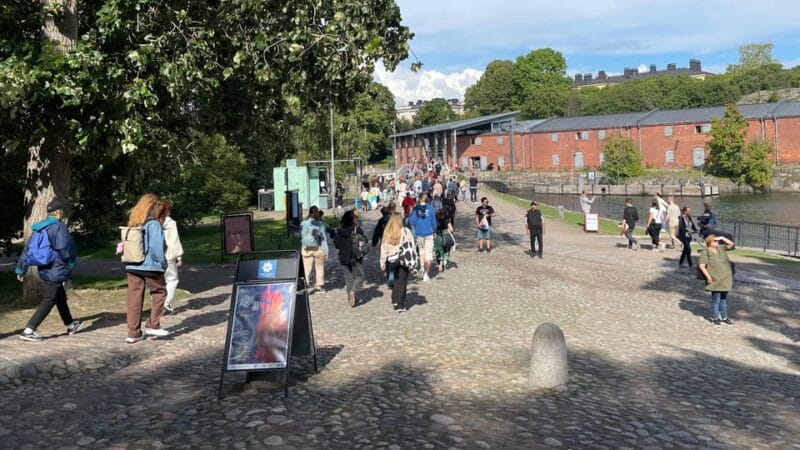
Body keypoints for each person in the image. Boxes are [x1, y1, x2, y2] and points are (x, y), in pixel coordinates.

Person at [15, 198, 83, 341]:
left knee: (60, 296)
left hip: (44, 268)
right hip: (57, 268)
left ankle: (70, 324)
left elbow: (28, 249)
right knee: (50, 298)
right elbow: (63, 248)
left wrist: (21, 268)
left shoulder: (40, 227)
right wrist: (70, 262)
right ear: (59, 212)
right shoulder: (59, 226)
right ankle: (29, 330)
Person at [124, 194, 170, 344]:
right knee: (160, 292)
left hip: (132, 265)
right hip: (150, 266)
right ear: (152, 206)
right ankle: (153, 324)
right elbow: (156, 248)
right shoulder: (153, 224)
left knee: (134, 299)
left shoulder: (133, 224)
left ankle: (133, 333)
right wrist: (163, 263)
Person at [698, 235, 736, 325]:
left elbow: (732, 244)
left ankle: (724, 317)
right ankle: (714, 317)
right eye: (715, 241)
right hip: (715, 279)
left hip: (726, 279)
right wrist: (708, 277)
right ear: (709, 242)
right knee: (716, 300)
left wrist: (722, 238)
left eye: (717, 241)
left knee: (723, 300)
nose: (717, 242)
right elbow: (702, 266)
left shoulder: (721, 248)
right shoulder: (706, 251)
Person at [380, 213, 413, 311]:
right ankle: (400, 304)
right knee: (402, 281)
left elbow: (383, 248)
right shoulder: (405, 231)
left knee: (396, 279)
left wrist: (382, 262)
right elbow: (411, 245)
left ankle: (394, 300)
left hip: (392, 260)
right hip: (403, 258)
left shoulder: (387, 232)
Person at [334, 209, 366, 307]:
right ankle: (353, 291)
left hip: (344, 257)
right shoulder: (356, 229)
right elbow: (364, 240)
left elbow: (336, 244)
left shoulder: (340, 231)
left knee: (348, 278)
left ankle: (350, 298)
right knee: (359, 276)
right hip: (356, 256)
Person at [161, 200, 184, 313]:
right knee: (172, 279)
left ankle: (158, 302)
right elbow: (174, 240)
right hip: (168, 255)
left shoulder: (153, 222)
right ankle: (166, 302)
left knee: (158, 281)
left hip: (155, 256)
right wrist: (179, 256)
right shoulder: (170, 223)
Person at [409, 193, 437, 281]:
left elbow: (412, 221)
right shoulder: (431, 209)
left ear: (419, 199)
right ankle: (425, 274)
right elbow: (434, 222)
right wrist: (434, 230)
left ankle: (421, 267)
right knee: (428, 253)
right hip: (429, 233)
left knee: (421, 251)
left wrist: (418, 224)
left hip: (419, 233)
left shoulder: (415, 209)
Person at [300, 206, 329, 292]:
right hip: (317, 248)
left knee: (306, 268)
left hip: (306, 249)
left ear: (309, 213)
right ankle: (319, 285)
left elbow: (301, 235)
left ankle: (306, 282)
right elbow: (323, 239)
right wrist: (326, 251)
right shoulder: (320, 224)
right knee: (319, 267)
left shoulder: (303, 224)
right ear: (317, 213)